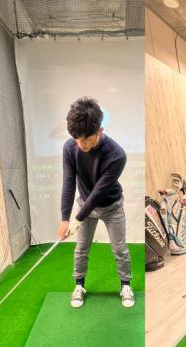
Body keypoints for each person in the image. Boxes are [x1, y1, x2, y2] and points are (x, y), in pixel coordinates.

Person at [58, 97, 134, 309]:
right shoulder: (70, 148)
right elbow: (68, 183)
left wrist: (77, 218)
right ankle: (79, 285)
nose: (81, 144)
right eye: (76, 139)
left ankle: (125, 285)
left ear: (99, 130)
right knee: (81, 248)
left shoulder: (117, 154)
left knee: (119, 249)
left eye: (86, 139)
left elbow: (100, 191)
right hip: (85, 206)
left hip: (112, 207)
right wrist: (65, 218)